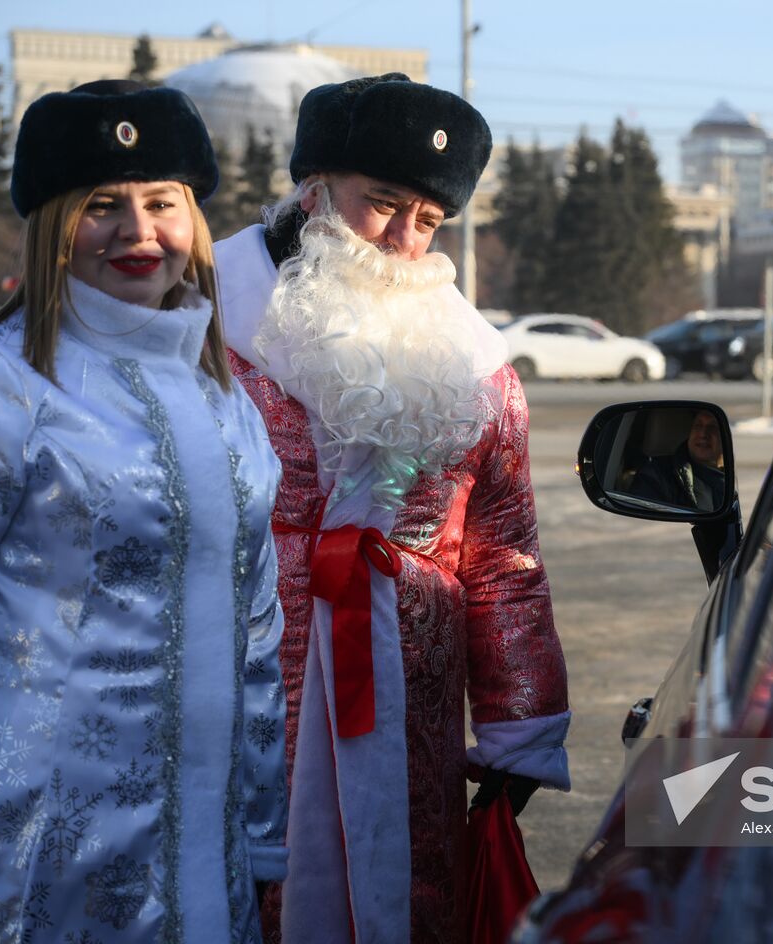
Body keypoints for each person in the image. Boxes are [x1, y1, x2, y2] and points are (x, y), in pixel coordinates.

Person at [0, 81, 288, 943]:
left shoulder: (227, 402)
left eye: (161, 203)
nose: (138, 233)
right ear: (53, 224)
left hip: (205, 867)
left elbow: (255, 633)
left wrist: (262, 833)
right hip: (28, 858)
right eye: (102, 205)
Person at [211, 73, 570, 944]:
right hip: (243, 683)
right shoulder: (200, 319)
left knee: (405, 894)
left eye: (429, 221)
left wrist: (520, 725)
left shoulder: (477, 365)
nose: (404, 241)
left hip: (413, 696)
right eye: (381, 206)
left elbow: (501, 554)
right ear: (314, 188)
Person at [631, 409, 727, 511]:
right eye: (697, 426)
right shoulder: (656, 474)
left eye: (712, 427)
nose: (703, 434)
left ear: (725, 438)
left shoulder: (730, 475)